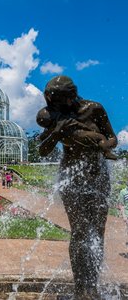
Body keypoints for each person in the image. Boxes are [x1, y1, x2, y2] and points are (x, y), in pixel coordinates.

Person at [37, 75, 117, 299]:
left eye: (55, 99)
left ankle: (91, 288)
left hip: (97, 176)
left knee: (97, 233)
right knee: (80, 231)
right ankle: (80, 288)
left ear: (71, 98)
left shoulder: (94, 108)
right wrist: (57, 132)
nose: (49, 104)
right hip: (70, 178)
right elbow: (43, 150)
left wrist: (102, 145)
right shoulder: (54, 115)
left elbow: (113, 138)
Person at [37, 106, 117, 160]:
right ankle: (106, 152)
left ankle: (106, 153)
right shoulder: (54, 128)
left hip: (94, 164)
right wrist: (55, 134)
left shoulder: (93, 109)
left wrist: (104, 148)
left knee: (100, 138)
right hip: (70, 167)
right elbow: (42, 152)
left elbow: (113, 139)